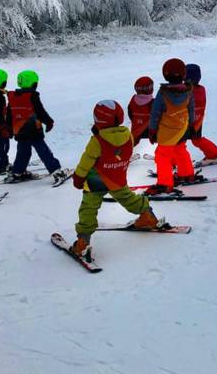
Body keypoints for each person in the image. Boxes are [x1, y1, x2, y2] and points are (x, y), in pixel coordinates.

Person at [68, 100, 163, 260]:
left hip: (96, 181)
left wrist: (78, 177)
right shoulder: (128, 136)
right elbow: (123, 153)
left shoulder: (97, 141)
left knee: (88, 208)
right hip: (117, 178)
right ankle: (147, 215)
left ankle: (83, 241)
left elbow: (87, 161)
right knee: (127, 198)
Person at [7, 70, 67, 183]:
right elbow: (40, 112)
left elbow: (9, 114)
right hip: (33, 131)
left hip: (20, 131)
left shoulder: (13, 97)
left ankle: (17, 172)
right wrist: (49, 122)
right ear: (34, 84)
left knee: (23, 153)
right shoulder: (32, 96)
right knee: (43, 151)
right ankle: (56, 171)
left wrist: (9, 129)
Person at [149, 58, 195, 192]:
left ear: (165, 74)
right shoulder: (189, 90)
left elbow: (155, 112)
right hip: (183, 126)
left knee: (162, 155)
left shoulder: (163, 93)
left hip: (168, 130)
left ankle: (164, 183)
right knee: (180, 149)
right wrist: (191, 125)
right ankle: (186, 174)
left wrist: (152, 129)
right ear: (184, 74)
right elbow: (191, 109)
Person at [186, 63, 217, 163]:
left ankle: (173, 161)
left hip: (185, 121)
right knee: (196, 140)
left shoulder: (186, 92)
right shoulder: (201, 89)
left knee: (176, 142)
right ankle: (213, 153)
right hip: (197, 122)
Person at [127, 76, 155, 146]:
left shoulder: (132, 101)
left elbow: (131, 115)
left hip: (135, 134)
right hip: (150, 134)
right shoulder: (153, 103)